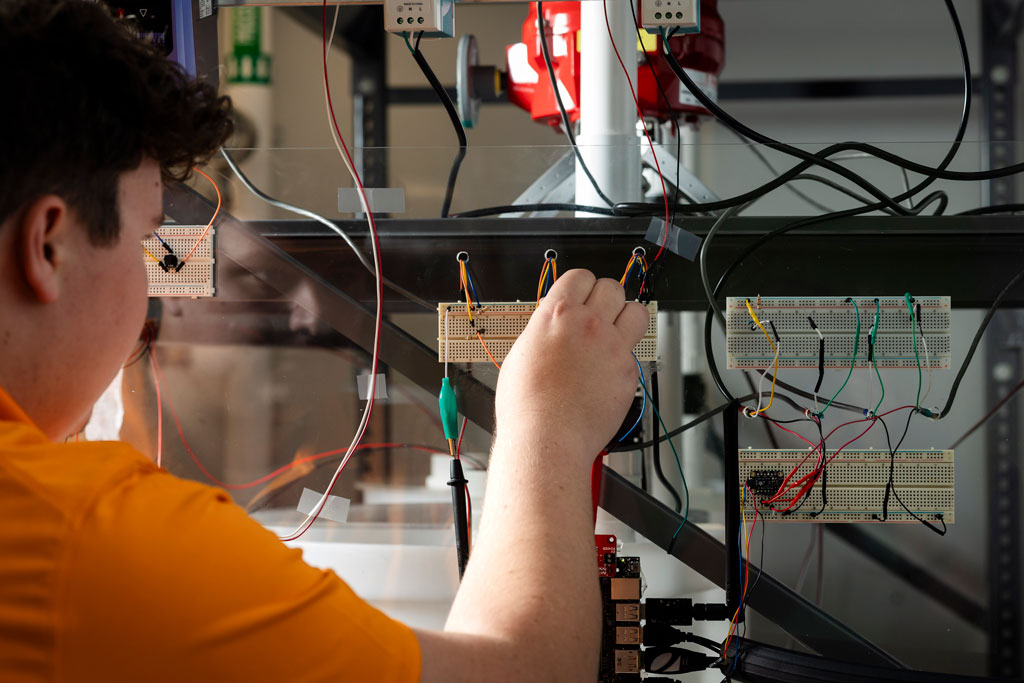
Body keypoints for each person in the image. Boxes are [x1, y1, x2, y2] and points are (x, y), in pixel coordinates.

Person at [0, 2, 649, 681]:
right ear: (50, 246)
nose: (152, 301)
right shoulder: (90, 542)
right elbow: (528, 671)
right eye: (147, 244)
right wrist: (549, 423)